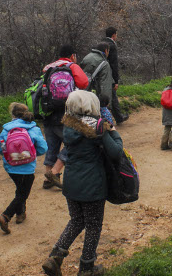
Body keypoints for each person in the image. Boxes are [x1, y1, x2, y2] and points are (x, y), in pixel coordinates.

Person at [42, 91, 123, 276]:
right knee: (93, 224)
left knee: (77, 220)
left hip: (72, 182)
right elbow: (116, 153)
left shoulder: (69, 126)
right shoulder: (97, 128)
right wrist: (114, 133)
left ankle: (55, 257)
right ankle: (87, 267)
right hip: (92, 184)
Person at [41, 45, 90, 190]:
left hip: (48, 112)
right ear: (72, 56)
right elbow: (84, 83)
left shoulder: (48, 67)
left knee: (52, 146)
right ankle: (55, 172)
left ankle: (48, 177)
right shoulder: (72, 66)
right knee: (73, 142)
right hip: (65, 112)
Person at [0, 103, 48, 234]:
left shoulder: (6, 130)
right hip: (27, 168)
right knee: (23, 193)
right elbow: (43, 148)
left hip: (11, 167)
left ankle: (20, 214)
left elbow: (0, 149)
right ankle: (6, 216)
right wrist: (32, 154)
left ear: (12, 115)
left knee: (20, 189)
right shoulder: (33, 128)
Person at [102, 27, 128, 124]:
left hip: (100, 74)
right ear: (113, 35)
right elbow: (114, 64)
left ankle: (115, 116)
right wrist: (116, 81)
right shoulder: (112, 46)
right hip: (109, 74)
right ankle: (118, 117)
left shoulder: (101, 43)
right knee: (113, 96)